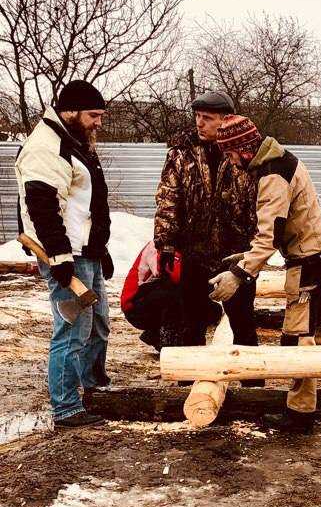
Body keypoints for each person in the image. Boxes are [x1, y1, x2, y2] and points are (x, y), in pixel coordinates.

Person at [207, 115, 321, 433]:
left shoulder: (273, 175)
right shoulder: (277, 159)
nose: (230, 161)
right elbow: (281, 227)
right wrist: (246, 257)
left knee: (297, 337)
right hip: (315, 253)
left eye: (230, 154)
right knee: (319, 328)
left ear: (244, 149)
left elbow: (269, 234)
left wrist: (238, 274)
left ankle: (301, 413)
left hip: (307, 260)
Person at [14, 80, 111, 429]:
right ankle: (66, 407)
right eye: (93, 115)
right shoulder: (46, 146)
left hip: (86, 251)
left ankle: (95, 389)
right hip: (67, 254)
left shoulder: (74, 140)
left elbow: (85, 203)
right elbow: (42, 206)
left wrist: (100, 247)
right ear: (70, 111)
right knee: (72, 330)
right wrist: (59, 256)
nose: (98, 123)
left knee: (98, 324)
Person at [153, 91, 261, 384]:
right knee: (191, 322)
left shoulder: (243, 151)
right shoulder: (181, 152)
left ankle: (253, 387)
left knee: (243, 322)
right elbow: (168, 199)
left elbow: (258, 203)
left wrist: (253, 250)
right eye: (197, 117)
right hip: (195, 250)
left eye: (208, 118)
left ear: (226, 120)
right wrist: (166, 243)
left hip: (234, 253)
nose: (200, 123)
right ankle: (189, 385)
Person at [120, 241, 199, 351]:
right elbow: (175, 275)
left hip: (146, 299)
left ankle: (154, 334)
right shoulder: (156, 246)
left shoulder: (179, 246)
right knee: (176, 293)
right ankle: (165, 340)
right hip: (133, 306)